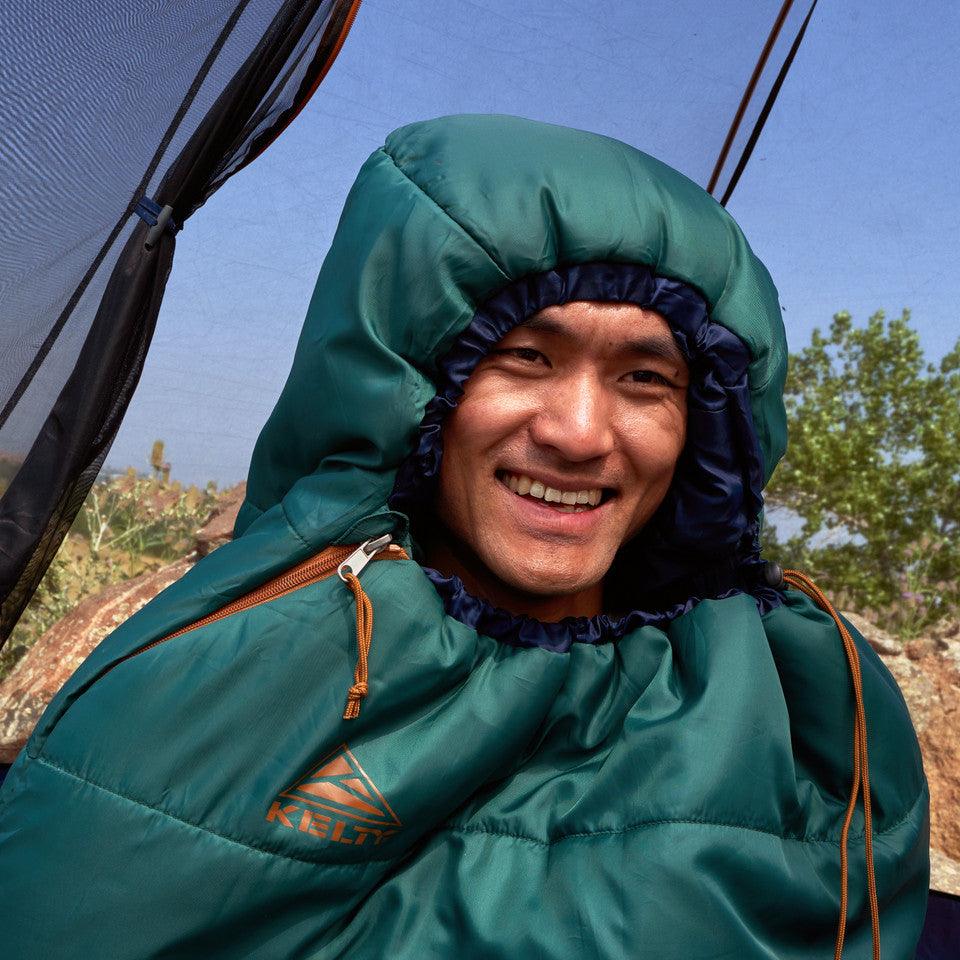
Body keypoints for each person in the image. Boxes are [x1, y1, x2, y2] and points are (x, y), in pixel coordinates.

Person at [0, 115, 929, 958]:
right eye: (525, 356)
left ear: (707, 429)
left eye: (646, 379)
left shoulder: (792, 707)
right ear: (409, 385)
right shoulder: (232, 671)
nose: (578, 432)